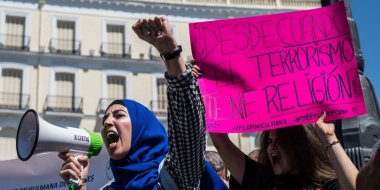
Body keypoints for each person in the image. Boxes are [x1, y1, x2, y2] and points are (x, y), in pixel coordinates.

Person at [58, 16, 228, 190]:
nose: (107, 122)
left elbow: (187, 131)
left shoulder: (174, 175)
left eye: (119, 115)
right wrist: (79, 186)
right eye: (105, 120)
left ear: (142, 130)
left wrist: (170, 53)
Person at [207, 112, 359, 190]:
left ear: (299, 145)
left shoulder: (327, 184)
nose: (271, 147)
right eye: (269, 141)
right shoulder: (261, 181)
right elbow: (221, 142)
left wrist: (329, 137)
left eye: (280, 141)